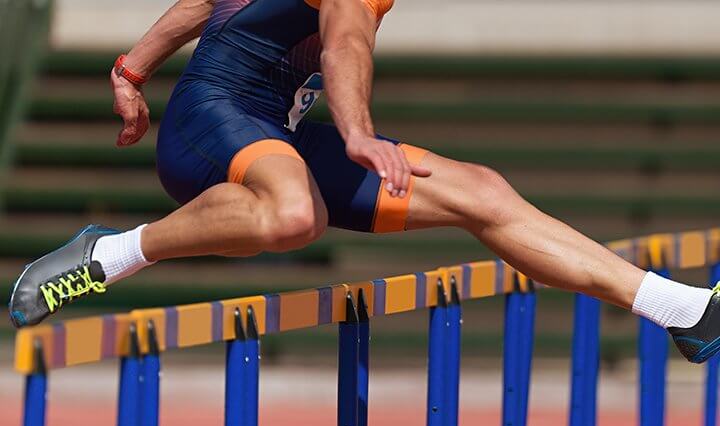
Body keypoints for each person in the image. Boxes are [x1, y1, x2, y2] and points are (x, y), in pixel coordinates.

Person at [8, 0, 720, 363]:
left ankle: (681, 309)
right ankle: (110, 255)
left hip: (275, 132)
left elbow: (206, 4)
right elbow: (346, 41)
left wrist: (130, 70)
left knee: (483, 192)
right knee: (294, 216)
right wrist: (355, 133)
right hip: (211, 120)